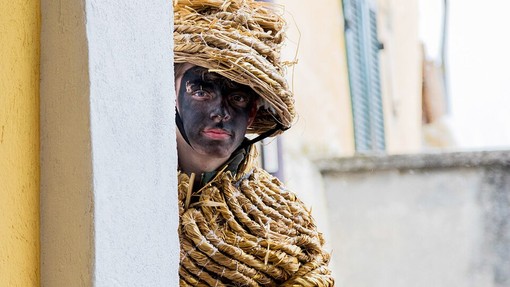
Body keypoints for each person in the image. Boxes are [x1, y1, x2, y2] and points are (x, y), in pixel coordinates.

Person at [174, 0, 334, 286]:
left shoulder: (288, 224)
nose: (220, 112)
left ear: (252, 111)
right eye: (201, 90)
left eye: (237, 98)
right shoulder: (126, 185)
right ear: (173, 92)